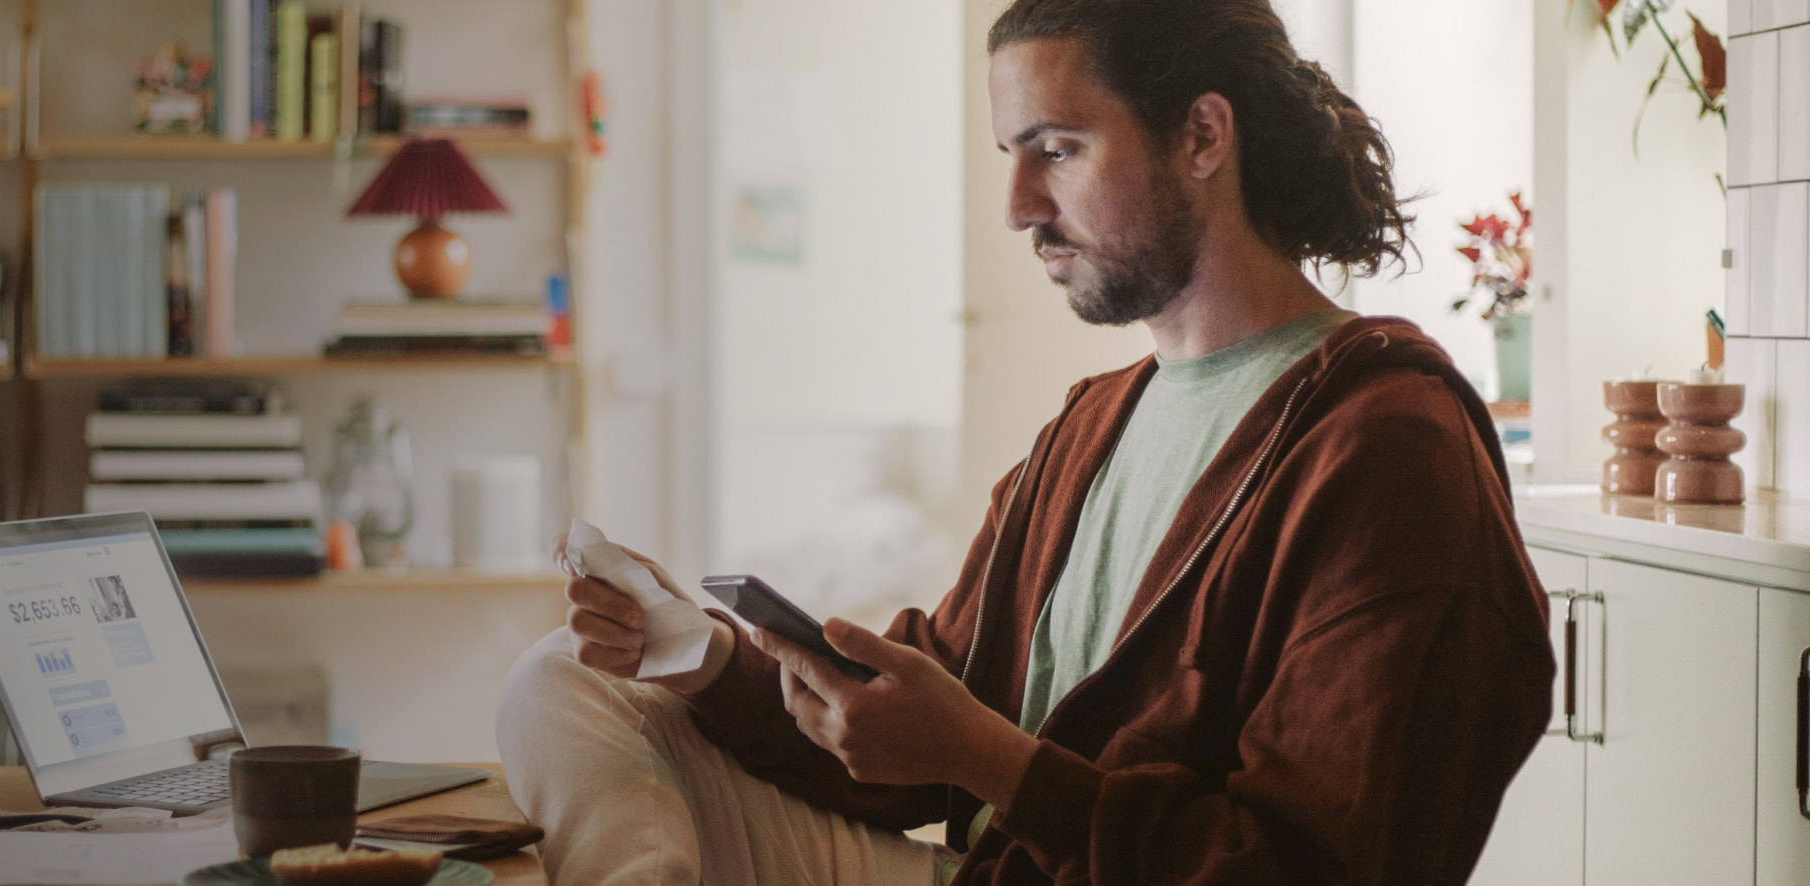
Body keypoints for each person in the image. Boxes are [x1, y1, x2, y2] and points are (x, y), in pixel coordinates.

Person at [494, 1, 1557, 884]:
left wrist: (983, 757)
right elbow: (930, 728)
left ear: (1201, 137)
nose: (1015, 207)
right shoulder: (1091, 425)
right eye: (1011, 155)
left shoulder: (1385, 448)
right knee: (565, 676)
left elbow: (1307, 867)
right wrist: (703, 647)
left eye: (1056, 150)